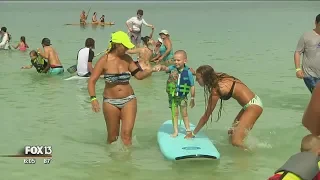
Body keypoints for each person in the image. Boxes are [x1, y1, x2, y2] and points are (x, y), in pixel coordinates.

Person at [87, 31, 156, 146]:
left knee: (127, 136)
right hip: (110, 102)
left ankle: (127, 162)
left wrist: (151, 70)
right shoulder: (104, 60)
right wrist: (93, 99)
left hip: (129, 100)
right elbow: (91, 81)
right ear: (117, 45)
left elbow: (139, 76)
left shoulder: (127, 59)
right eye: (124, 46)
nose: (126, 49)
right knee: (112, 138)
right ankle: (113, 163)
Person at [184, 65, 263, 150]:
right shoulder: (217, 76)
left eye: (198, 78)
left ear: (205, 78)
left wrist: (193, 133)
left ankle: (250, 156)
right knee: (231, 133)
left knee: (236, 142)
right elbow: (208, 73)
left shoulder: (216, 90)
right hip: (252, 103)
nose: (196, 80)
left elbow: (206, 116)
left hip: (253, 106)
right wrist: (195, 73)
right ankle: (236, 156)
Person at [153, 50, 195, 137]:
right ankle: (175, 131)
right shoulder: (172, 68)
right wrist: (160, 66)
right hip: (172, 96)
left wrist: (192, 98)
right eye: (174, 60)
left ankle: (188, 130)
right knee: (174, 113)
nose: (176, 62)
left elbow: (192, 86)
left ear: (185, 61)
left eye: (178, 60)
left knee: (184, 114)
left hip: (183, 97)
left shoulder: (188, 72)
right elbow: (165, 68)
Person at [294, 14, 320, 93]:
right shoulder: (306, 36)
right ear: (316, 23)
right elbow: (297, 52)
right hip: (309, 75)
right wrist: (298, 69)